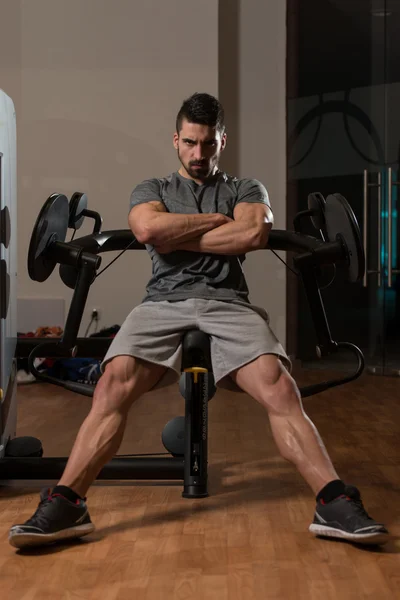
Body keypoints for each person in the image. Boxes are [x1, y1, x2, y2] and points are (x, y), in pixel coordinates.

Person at [9, 92, 389, 549]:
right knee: (113, 384)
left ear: (221, 141)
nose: (198, 154)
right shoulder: (151, 189)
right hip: (161, 305)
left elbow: (252, 232)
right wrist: (214, 222)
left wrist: (179, 233)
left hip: (230, 304)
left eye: (208, 144)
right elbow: (149, 231)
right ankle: (68, 503)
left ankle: (333, 502)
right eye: (190, 142)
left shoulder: (248, 190)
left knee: (279, 385)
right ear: (176, 139)